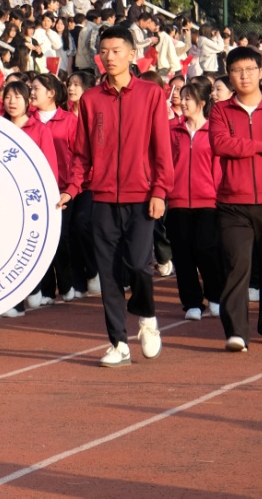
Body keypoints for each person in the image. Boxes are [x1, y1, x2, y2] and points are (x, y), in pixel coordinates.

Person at [59, 25, 173, 368]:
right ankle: (119, 343)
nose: (109, 57)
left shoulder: (151, 94)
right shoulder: (91, 99)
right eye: (104, 51)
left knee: (138, 264)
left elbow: (162, 149)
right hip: (103, 198)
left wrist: (160, 191)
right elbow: (82, 154)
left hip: (142, 197)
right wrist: (72, 189)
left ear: (131, 54)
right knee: (108, 274)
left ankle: (147, 317)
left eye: (116, 50)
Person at [208, 46, 262, 351]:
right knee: (236, 266)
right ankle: (236, 333)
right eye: (237, 71)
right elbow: (220, 144)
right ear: (229, 75)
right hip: (233, 204)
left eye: (250, 70)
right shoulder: (220, 110)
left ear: (261, 71)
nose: (244, 76)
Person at [0, 80, 60, 318]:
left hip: (30, 200)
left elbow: (49, 166)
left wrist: (50, 197)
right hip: (4, 198)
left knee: (27, 248)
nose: (12, 102)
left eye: (17, 97)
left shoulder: (39, 130)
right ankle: (15, 302)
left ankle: (33, 287)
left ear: (27, 101)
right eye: (7, 97)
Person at [168, 78, 225, 323]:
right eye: (182, 97)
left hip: (208, 204)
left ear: (201, 102)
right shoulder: (173, 131)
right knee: (183, 256)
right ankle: (192, 302)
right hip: (178, 203)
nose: (183, 102)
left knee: (207, 251)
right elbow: (166, 164)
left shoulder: (214, 131)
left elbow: (218, 168)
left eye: (188, 98)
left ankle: (216, 297)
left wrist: (218, 195)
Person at [30, 72, 84, 303]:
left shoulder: (69, 120)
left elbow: (79, 156)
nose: (32, 92)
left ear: (51, 93)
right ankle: (46, 290)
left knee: (61, 238)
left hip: (63, 189)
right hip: (35, 190)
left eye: (36, 89)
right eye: (31, 88)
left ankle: (67, 282)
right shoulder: (28, 121)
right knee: (40, 240)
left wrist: (71, 187)